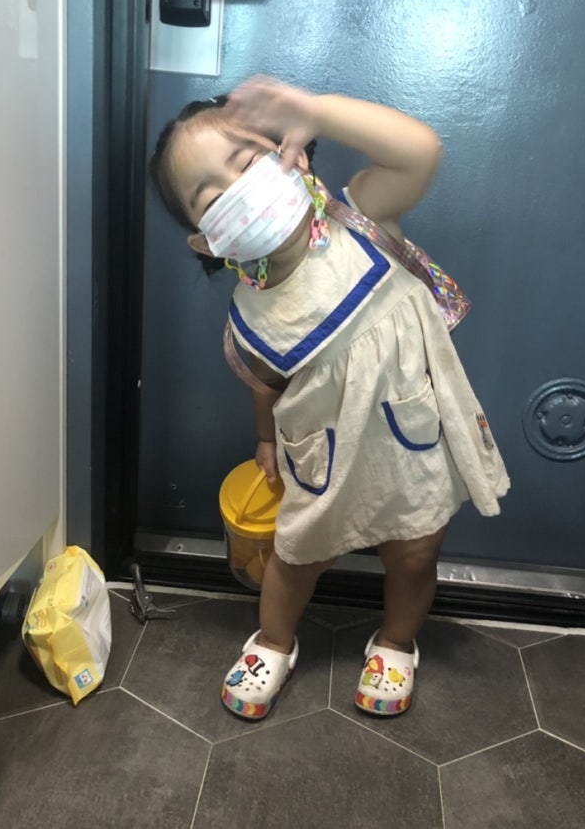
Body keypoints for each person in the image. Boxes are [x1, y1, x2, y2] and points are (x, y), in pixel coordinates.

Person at [149, 75, 510, 720]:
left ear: (293, 156)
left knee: (414, 552)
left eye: (247, 162)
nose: (238, 189)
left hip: (408, 439)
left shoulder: (363, 217)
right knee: (295, 558)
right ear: (207, 240)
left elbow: (420, 151)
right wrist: (265, 439)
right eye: (213, 196)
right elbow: (266, 385)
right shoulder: (248, 317)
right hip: (322, 455)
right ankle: (273, 641)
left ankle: (395, 642)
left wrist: (315, 111)